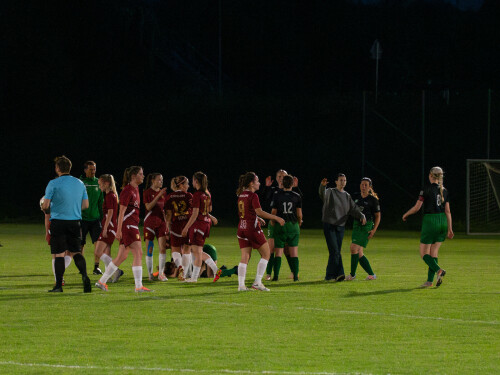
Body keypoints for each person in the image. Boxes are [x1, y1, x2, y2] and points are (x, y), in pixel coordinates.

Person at [95, 166, 151, 292]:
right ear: (133, 176)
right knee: (138, 253)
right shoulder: (127, 190)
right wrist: (119, 230)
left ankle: (101, 281)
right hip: (128, 226)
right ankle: (138, 286)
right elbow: (121, 212)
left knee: (122, 256)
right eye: (141, 174)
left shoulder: (135, 189)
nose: (143, 176)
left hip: (131, 225)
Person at [41, 155, 91, 293]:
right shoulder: (79, 183)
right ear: (70, 168)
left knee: (59, 254)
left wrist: (45, 208)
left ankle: (58, 285)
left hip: (58, 222)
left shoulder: (53, 183)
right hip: (75, 222)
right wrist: (72, 207)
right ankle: (85, 277)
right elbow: (86, 205)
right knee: (76, 252)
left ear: (57, 168)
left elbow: (46, 206)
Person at [403, 166, 453, 287]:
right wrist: (450, 228)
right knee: (433, 252)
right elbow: (448, 211)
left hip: (431, 221)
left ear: (430, 175)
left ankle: (438, 270)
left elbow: (417, 208)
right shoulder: (445, 190)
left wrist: (406, 214)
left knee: (423, 253)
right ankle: (429, 281)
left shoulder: (425, 189)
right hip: (442, 222)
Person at [236, 172, 285, 291]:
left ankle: (241, 285)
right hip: (252, 229)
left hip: (241, 228)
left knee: (245, 257)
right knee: (266, 254)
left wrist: (257, 218)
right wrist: (276, 217)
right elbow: (259, 211)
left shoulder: (241, 195)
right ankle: (257, 282)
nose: (259, 183)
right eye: (257, 181)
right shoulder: (253, 196)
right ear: (251, 183)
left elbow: (245, 212)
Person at [319, 173, 366, 282]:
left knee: (334, 252)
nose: (343, 182)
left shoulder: (347, 196)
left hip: (340, 227)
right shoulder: (330, 191)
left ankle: (329, 275)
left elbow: (353, 209)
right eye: (340, 180)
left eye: (344, 180)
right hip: (329, 225)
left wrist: (361, 215)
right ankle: (340, 274)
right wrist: (322, 186)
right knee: (335, 251)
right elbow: (322, 194)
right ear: (336, 182)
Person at [260, 169, 303, 281]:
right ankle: (269, 273)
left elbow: (298, 200)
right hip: (277, 223)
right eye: (279, 176)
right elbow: (264, 199)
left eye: (283, 176)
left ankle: (291, 273)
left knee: (286, 250)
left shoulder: (284, 194)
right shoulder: (274, 191)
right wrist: (267, 187)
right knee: (272, 249)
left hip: (282, 224)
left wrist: (296, 187)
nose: (281, 178)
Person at [181, 172, 221, 283]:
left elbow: (195, 214)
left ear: (196, 181)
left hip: (198, 225)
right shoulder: (207, 193)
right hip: (205, 224)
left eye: (193, 180)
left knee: (197, 252)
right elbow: (209, 210)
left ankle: (194, 278)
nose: (192, 182)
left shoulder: (197, 195)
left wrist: (186, 228)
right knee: (197, 251)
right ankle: (215, 270)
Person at [346, 177, 381, 281]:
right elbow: (351, 210)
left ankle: (352, 275)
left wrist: (374, 230)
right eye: (362, 184)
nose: (363, 187)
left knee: (353, 248)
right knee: (359, 252)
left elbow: (378, 216)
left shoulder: (373, 200)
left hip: (367, 226)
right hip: (357, 225)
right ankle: (371, 275)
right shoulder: (356, 197)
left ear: (370, 187)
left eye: (366, 185)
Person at [94, 174, 124, 283]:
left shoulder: (110, 196)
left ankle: (116, 271)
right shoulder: (111, 195)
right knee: (107, 253)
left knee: (98, 251)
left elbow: (110, 212)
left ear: (106, 183)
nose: (99, 186)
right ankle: (109, 276)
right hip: (112, 226)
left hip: (109, 226)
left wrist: (105, 228)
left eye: (100, 184)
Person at [165, 176, 193, 281]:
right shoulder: (189, 195)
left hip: (175, 227)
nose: (188, 186)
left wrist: (167, 227)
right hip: (187, 225)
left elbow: (168, 215)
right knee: (186, 250)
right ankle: (185, 273)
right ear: (181, 185)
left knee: (175, 250)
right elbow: (194, 211)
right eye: (186, 184)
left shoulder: (169, 196)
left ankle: (180, 267)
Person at [80, 161, 104, 275]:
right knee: (80, 244)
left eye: (94, 169)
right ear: (85, 170)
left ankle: (96, 267)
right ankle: (81, 267)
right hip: (82, 219)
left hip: (95, 219)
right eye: (90, 169)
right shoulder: (81, 183)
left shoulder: (98, 182)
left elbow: (101, 202)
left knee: (98, 244)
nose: (93, 171)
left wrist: (103, 218)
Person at [143, 173, 168, 281]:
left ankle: (161, 273)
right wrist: (158, 195)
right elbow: (148, 206)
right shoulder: (147, 192)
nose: (161, 182)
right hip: (150, 223)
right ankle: (150, 274)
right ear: (153, 180)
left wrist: (167, 224)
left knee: (163, 248)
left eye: (162, 180)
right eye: (159, 180)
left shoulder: (164, 193)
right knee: (150, 249)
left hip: (161, 223)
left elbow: (165, 210)